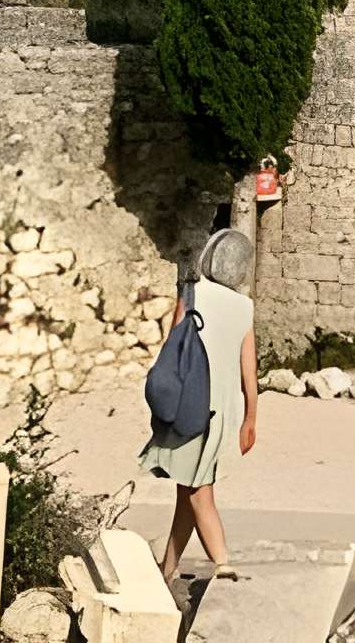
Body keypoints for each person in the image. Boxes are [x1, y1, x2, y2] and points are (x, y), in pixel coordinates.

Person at [141, 225, 258, 586]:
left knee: (197, 491)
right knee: (187, 491)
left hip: (188, 407)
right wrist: (251, 419)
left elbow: (173, 351)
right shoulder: (244, 307)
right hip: (222, 413)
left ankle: (223, 562)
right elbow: (248, 368)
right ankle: (167, 570)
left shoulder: (192, 294)